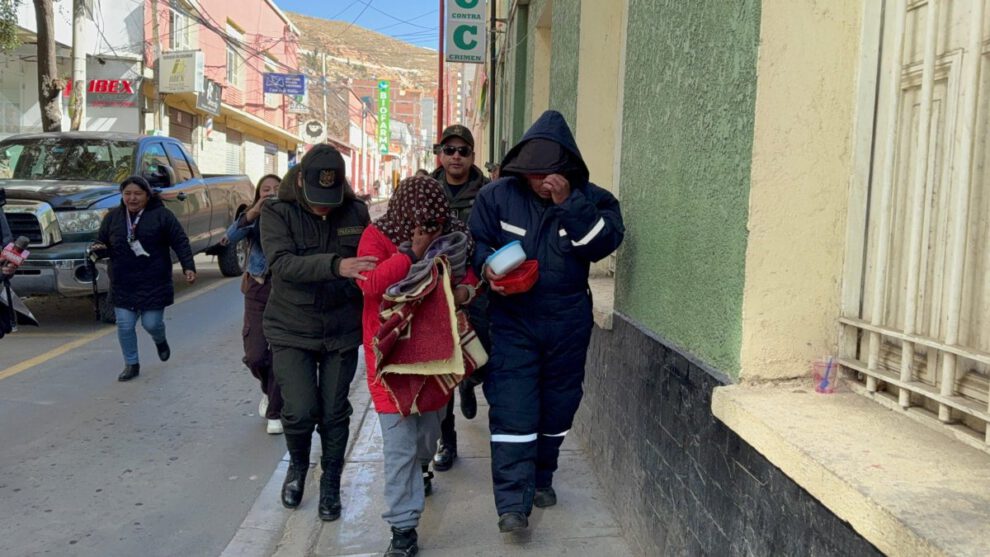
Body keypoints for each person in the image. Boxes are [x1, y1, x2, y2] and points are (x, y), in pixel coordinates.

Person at [468, 110, 624, 532]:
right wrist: (487, 270)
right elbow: (477, 244)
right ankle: (512, 506)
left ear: (567, 168)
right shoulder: (497, 196)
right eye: (533, 173)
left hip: (568, 321)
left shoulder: (595, 200)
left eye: (549, 174)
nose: (540, 181)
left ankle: (542, 477)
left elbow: (602, 245)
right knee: (514, 409)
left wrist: (567, 204)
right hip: (513, 321)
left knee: (558, 409)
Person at [356, 175, 479, 557]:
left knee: (426, 436)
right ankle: (403, 530)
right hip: (389, 360)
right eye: (420, 222)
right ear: (404, 214)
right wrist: (410, 253)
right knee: (399, 449)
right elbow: (371, 285)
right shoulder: (377, 237)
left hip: (435, 356)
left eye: (434, 223)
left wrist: (466, 290)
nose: (428, 230)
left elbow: (468, 273)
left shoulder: (453, 234)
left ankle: (422, 469)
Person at [260, 145, 377, 521]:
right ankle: (297, 466)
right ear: (300, 183)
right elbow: (282, 264)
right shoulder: (277, 212)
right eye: (316, 200)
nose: (324, 207)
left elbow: (376, 255)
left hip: (341, 329)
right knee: (298, 411)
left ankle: (330, 483)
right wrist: (336, 265)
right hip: (292, 327)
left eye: (330, 199)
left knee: (334, 412)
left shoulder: (357, 212)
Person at [429, 124, 491, 472]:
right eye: (449, 150)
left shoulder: (487, 192)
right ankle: (446, 441)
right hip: (435, 293)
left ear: (471, 155)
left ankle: (470, 383)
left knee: (480, 359)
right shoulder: (427, 189)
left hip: (477, 290)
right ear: (440, 153)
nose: (455, 156)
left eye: (462, 150)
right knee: (441, 368)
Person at [92, 175, 197, 382]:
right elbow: (100, 239)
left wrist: (188, 267)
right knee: (125, 324)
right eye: (127, 194)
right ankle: (131, 364)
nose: (132, 198)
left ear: (148, 196)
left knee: (151, 323)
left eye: (137, 194)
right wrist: (97, 248)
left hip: (154, 280)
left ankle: (160, 339)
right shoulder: (112, 217)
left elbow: (180, 241)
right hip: (123, 281)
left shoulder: (162, 216)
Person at [221, 174, 283, 435]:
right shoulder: (252, 216)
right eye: (265, 190)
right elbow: (229, 237)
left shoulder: (291, 213)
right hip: (257, 287)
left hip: (285, 291)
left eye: (276, 189)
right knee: (256, 354)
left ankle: (275, 413)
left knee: (281, 353)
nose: (270, 193)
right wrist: (254, 211)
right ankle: (268, 390)